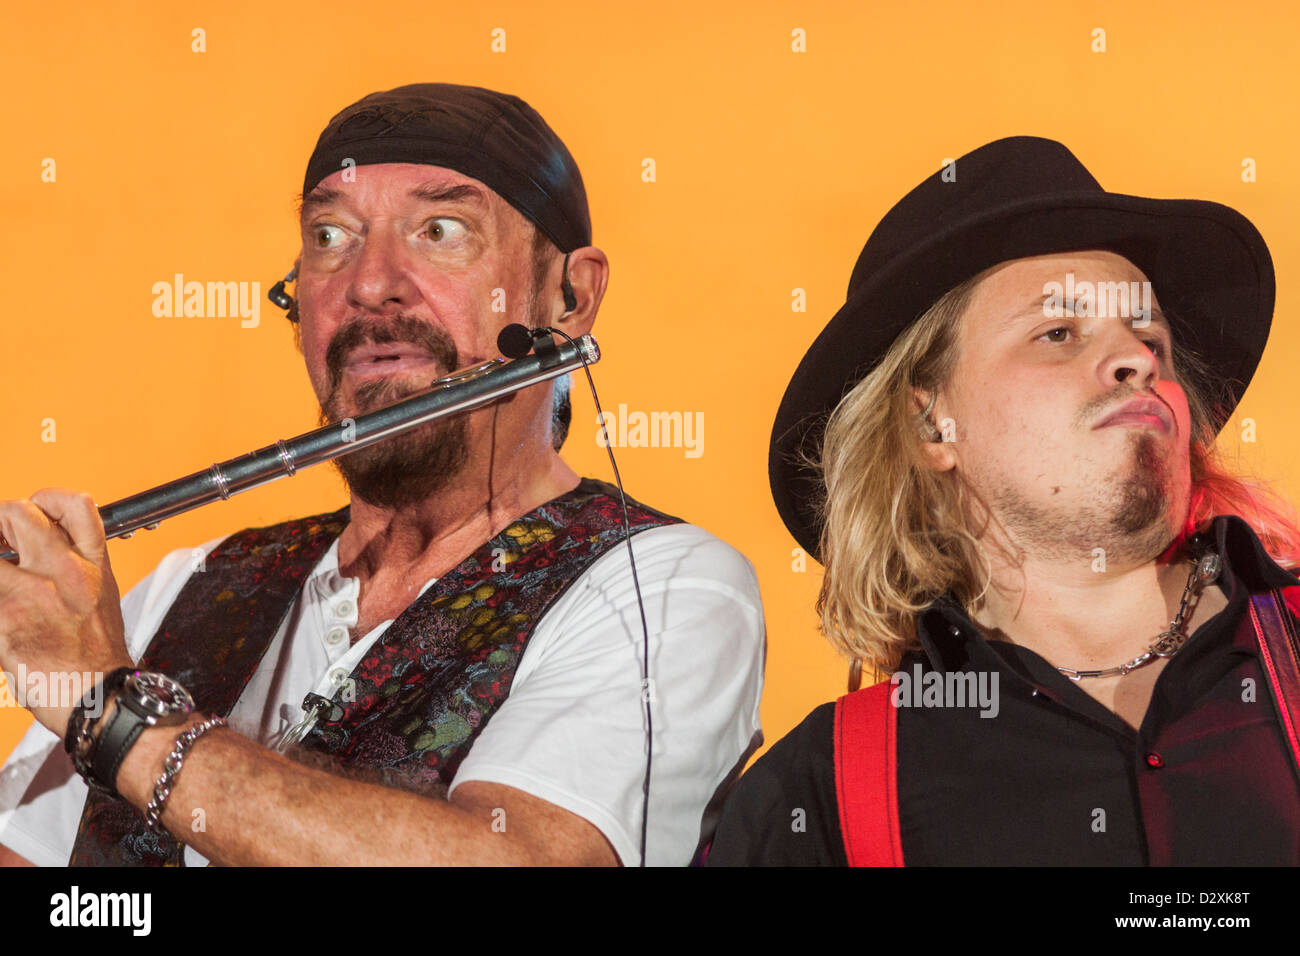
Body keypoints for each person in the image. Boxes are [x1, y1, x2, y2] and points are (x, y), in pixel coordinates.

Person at [0, 83, 764, 867]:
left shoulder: (664, 587)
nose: (368, 284)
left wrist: (109, 710)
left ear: (571, 298)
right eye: (330, 235)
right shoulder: (186, 584)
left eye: (439, 230)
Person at [707, 136, 1300, 865]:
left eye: (1151, 337)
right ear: (931, 422)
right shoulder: (815, 799)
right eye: (1058, 333)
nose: (1136, 359)